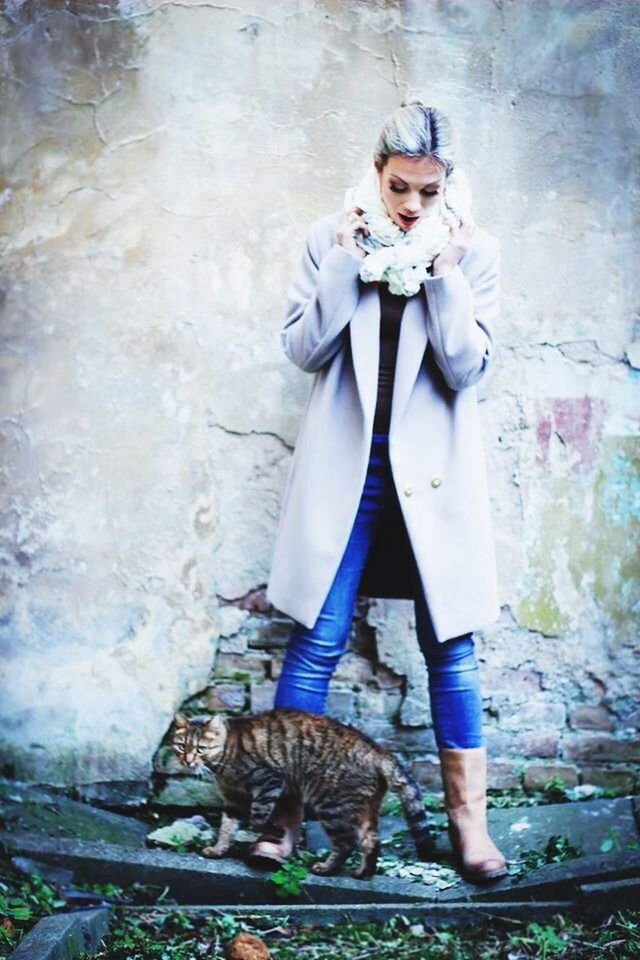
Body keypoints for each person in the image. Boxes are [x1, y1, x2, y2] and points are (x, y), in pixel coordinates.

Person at [255, 98, 507, 883]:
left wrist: (446, 279)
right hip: (349, 472)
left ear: (448, 187)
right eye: (400, 187)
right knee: (317, 639)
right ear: (376, 173)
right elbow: (304, 349)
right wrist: (340, 260)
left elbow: (468, 369)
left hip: (431, 479)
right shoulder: (329, 240)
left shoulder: (475, 253)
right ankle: (283, 817)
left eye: (429, 192)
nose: (412, 206)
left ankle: (470, 825)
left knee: (451, 649)